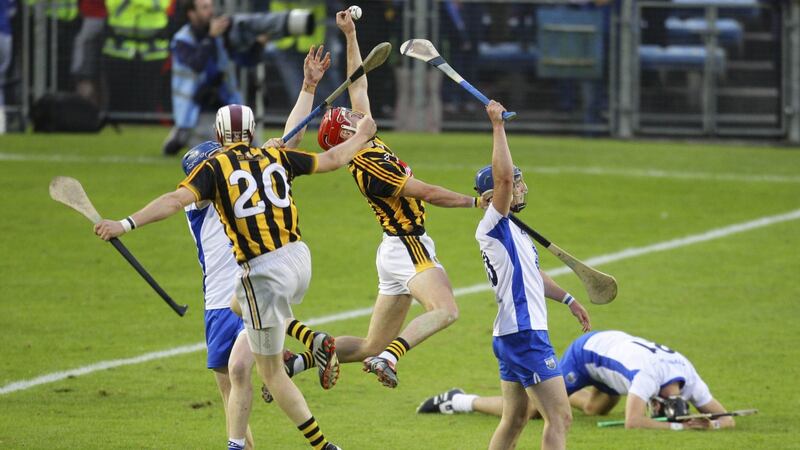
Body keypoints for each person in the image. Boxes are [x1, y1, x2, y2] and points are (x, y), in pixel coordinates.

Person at [94, 91, 375, 449]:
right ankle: (305, 349)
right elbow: (319, 154)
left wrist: (125, 224)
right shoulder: (224, 180)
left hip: (260, 277)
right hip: (235, 294)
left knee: (247, 367)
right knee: (236, 377)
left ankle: (306, 360)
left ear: (218, 135)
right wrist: (358, 135)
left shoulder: (223, 170)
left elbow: (292, 136)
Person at [284, 9, 490, 390]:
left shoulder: (365, 139)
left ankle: (293, 365)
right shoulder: (371, 165)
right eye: (348, 116)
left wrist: (349, 34)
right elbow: (427, 192)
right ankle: (390, 357)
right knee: (445, 310)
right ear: (346, 133)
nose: (354, 112)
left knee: (367, 344)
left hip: (392, 249)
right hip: (407, 245)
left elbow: (357, 84)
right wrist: (476, 204)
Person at [467, 100, 592, 450]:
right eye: (515, 184)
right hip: (524, 334)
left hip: (511, 333)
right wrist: (497, 126)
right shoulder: (494, 224)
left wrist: (568, 299)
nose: (519, 187)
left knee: (516, 418)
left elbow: (533, 275)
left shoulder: (514, 229)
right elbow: (503, 176)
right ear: (495, 195)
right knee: (560, 417)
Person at [417, 330, 736, 432]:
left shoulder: (688, 378)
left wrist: (712, 424)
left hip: (611, 359)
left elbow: (728, 420)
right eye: (657, 406)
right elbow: (634, 422)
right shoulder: (647, 377)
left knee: (597, 409)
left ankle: (558, 392)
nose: (653, 406)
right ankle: (459, 400)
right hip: (588, 353)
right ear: (660, 398)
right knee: (530, 412)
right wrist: (680, 427)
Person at [163, 0, 315, 155]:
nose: (211, 11)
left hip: (224, 102)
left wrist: (259, 44)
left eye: (211, 6)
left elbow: (245, 61)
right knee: (215, 152)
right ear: (191, 13)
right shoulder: (181, 40)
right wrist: (211, 37)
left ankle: (181, 134)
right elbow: (197, 63)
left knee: (252, 149)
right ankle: (182, 134)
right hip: (196, 108)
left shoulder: (220, 36)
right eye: (204, 8)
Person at [180, 141, 256, 450]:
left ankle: (286, 360)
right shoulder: (196, 203)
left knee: (244, 371)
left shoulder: (240, 191)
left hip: (253, 293)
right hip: (218, 306)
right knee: (230, 394)